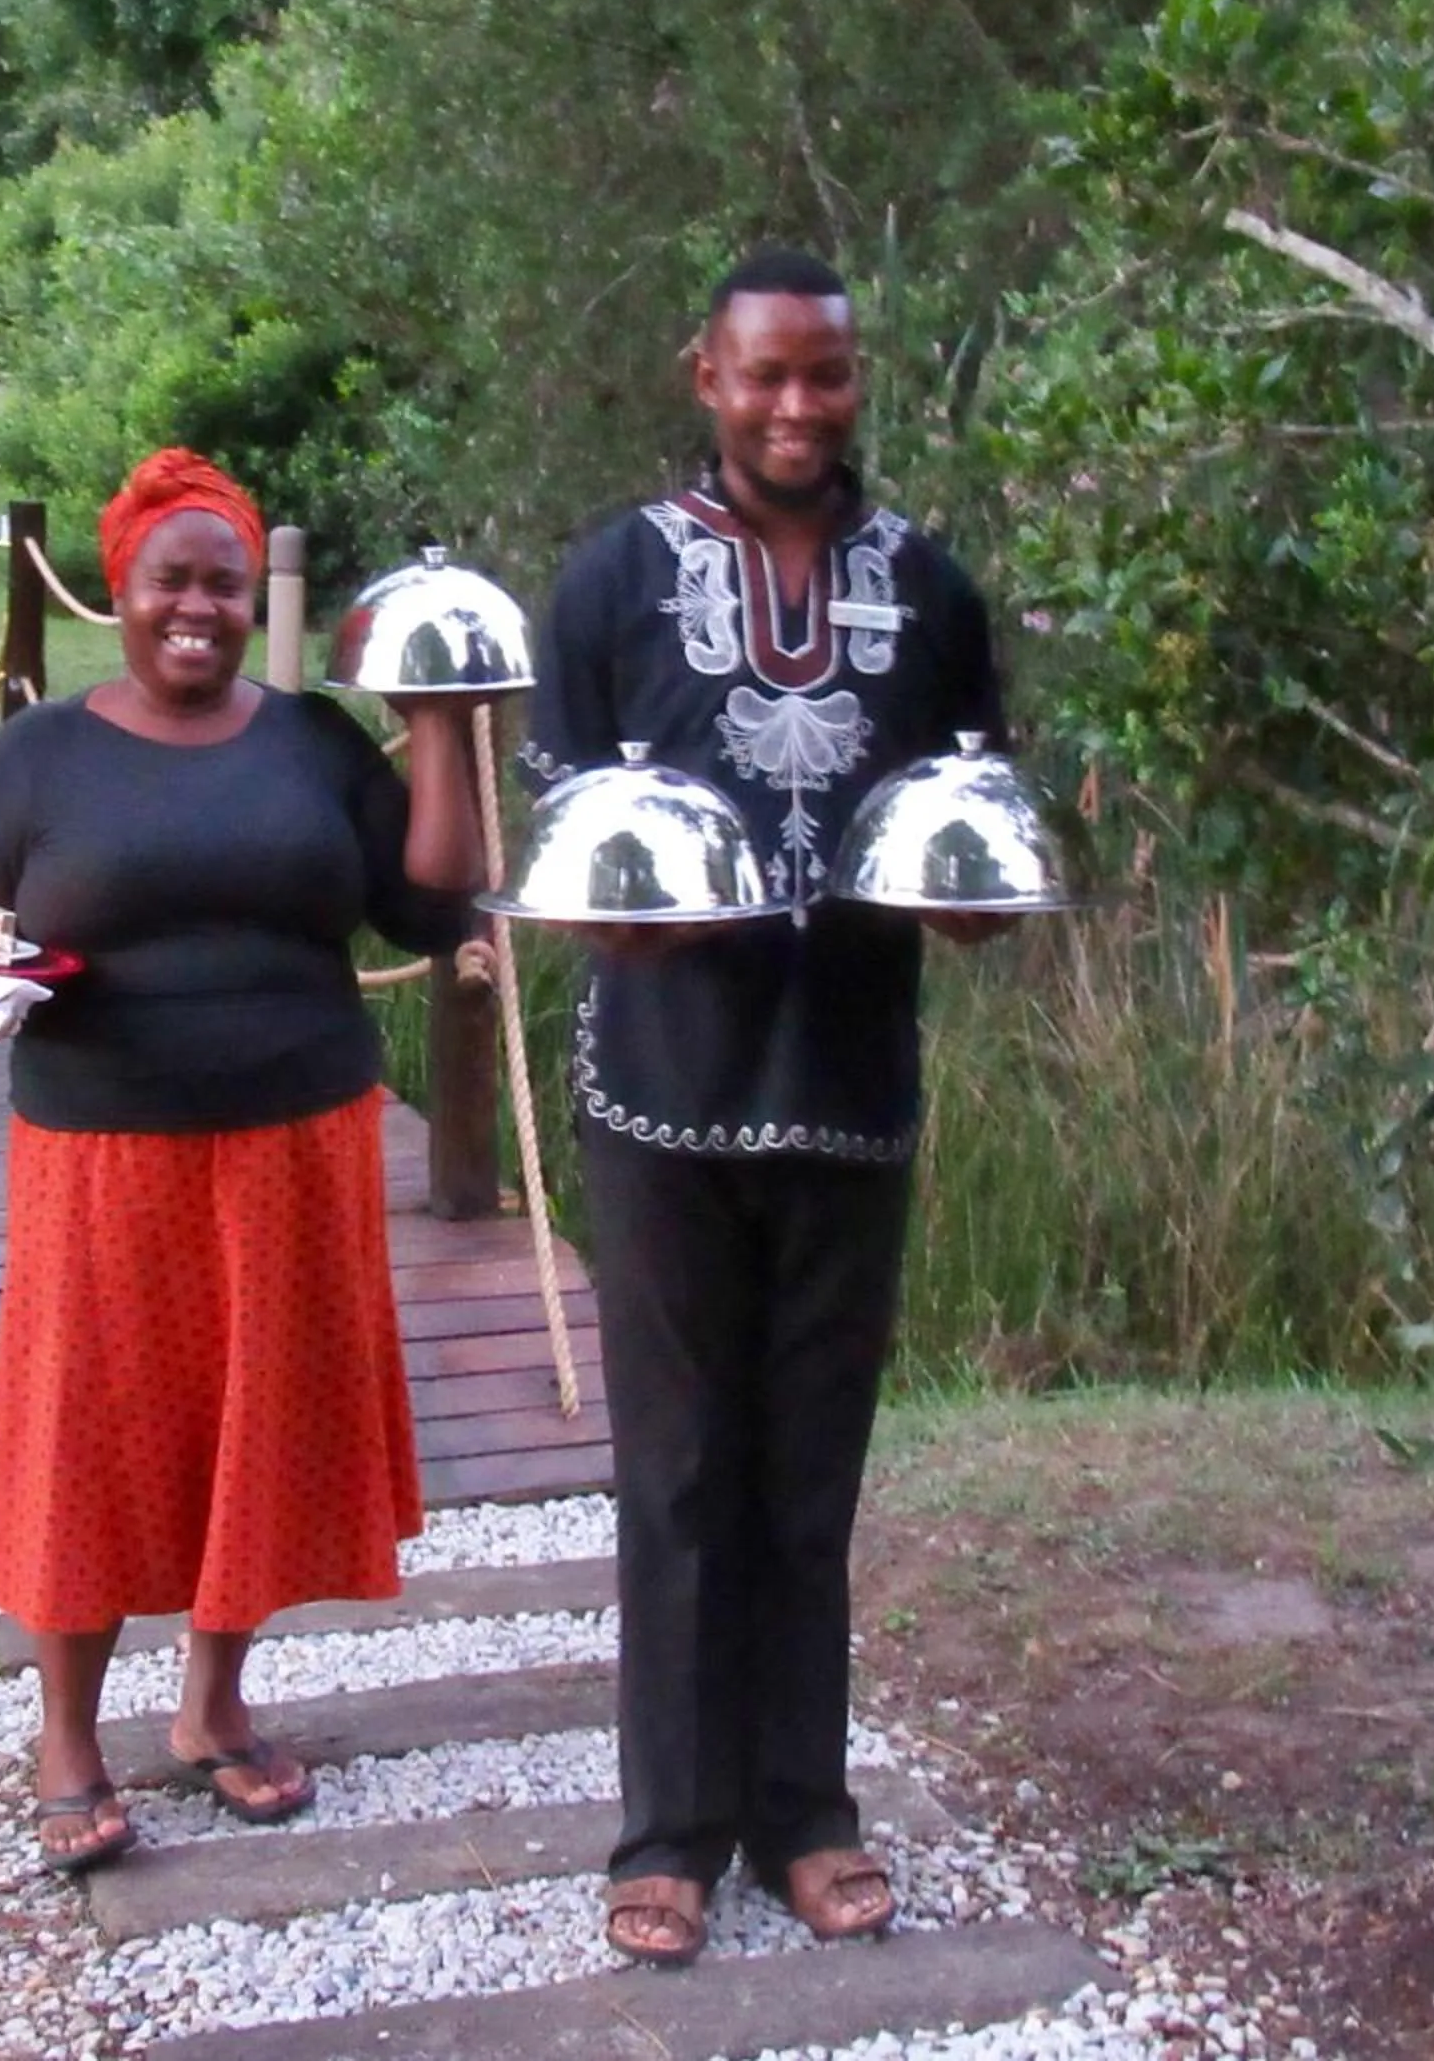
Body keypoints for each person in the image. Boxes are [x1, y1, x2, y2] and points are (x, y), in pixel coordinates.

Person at [519, 249, 1008, 1966]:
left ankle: (807, 1813)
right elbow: (567, 843)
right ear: (703, 376)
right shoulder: (613, 584)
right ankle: (666, 1830)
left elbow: (974, 827)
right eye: (765, 377)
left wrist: (977, 899)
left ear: (859, 385)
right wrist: (645, 911)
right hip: (661, 1095)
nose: (798, 408)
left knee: (812, 1477)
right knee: (674, 1472)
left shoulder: (931, 589)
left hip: (853, 1085)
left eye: (830, 378)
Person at [0, 448, 486, 1875]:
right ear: (116, 588)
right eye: (168, 579)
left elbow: (432, 911)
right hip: (102, 1145)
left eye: (223, 583)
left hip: (296, 1138)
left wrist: (439, 724)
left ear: (256, 600)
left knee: (259, 1420)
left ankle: (214, 1702)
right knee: (91, 1430)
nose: (195, 605)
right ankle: (67, 1731)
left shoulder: (312, 741)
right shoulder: (38, 754)